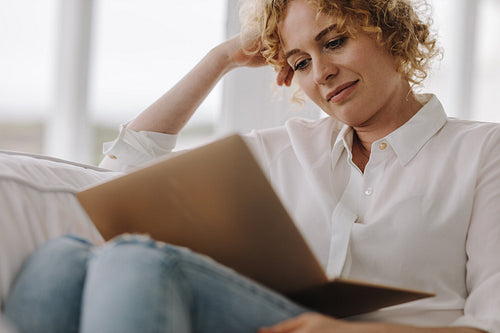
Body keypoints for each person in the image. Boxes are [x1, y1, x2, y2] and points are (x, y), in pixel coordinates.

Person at [2, 0, 500, 332]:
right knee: (58, 262)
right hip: (274, 320)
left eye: (334, 41)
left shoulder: (483, 152)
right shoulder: (288, 148)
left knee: (138, 261)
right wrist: (219, 60)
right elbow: (121, 174)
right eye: (300, 62)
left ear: (390, 33)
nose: (322, 73)